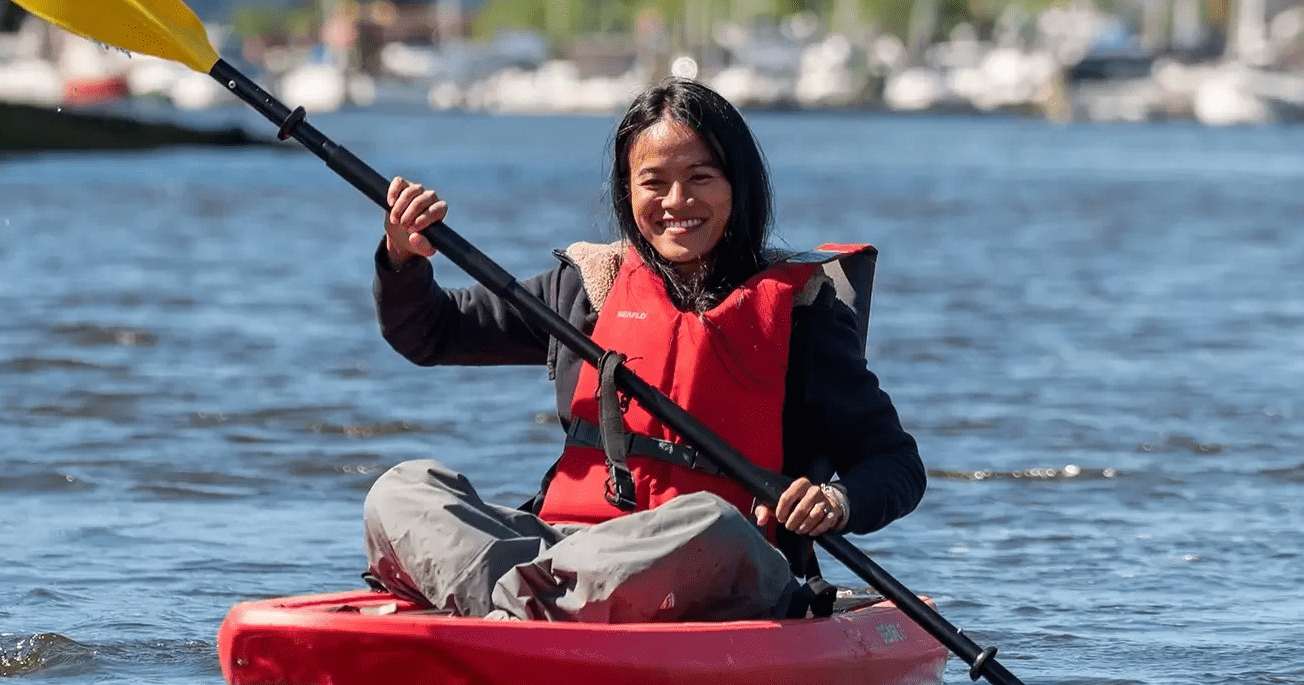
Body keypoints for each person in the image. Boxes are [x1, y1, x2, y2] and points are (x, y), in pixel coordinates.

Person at [364, 78, 923, 623]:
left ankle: (497, 607)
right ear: (627, 192)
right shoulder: (589, 287)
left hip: (716, 561)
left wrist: (836, 500)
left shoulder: (801, 312)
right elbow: (431, 332)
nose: (677, 202)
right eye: (653, 182)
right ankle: (522, 609)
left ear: (739, 186)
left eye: (700, 177)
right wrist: (403, 258)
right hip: (567, 551)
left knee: (711, 522)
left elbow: (896, 464)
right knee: (403, 490)